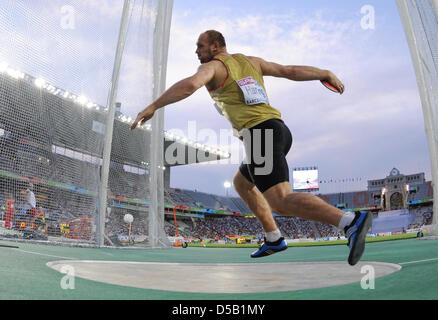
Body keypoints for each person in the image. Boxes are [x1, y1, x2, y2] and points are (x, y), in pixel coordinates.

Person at [131, 30, 372, 265]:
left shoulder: (213, 67)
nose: (196, 51)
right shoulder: (251, 62)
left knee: (280, 201)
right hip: (278, 130)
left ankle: (349, 221)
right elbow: (288, 71)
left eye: (200, 46)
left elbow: (191, 85)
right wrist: (324, 73)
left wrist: (154, 105)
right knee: (241, 183)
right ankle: (274, 237)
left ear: (215, 46)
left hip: (260, 134)